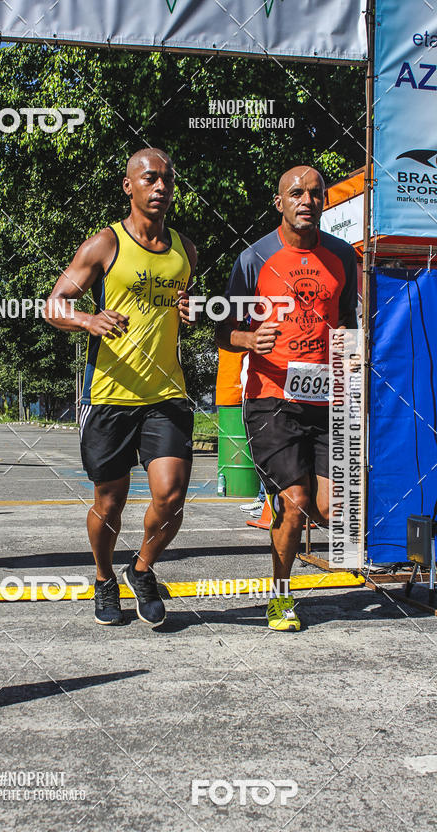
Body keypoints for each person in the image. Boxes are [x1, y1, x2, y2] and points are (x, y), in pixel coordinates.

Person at [46, 148, 197, 627]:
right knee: (109, 502)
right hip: (109, 395)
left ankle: (143, 569)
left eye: (167, 180)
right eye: (150, 179)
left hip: (166, 395)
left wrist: (189, 312)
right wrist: (88, 318)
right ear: (128, 186)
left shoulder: (185, 250)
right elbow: (54, 305)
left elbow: (173, 310)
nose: (160, 188)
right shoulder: (104, 245)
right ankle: (105, 577)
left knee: (170, 496)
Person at [216, 165, 358, 631]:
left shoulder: (341, 257)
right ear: (279, 202)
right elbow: (223, 330)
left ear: (324, 202)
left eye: (316, 194)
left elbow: (350, 326)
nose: (307, 201)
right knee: (296, 502)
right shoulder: (254, 259)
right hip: (270, 397)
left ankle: (284, 510)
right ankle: (280, 595)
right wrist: (249, 341)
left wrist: (353, 355)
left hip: (324, 397)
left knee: (331, 509)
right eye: (296, 193)